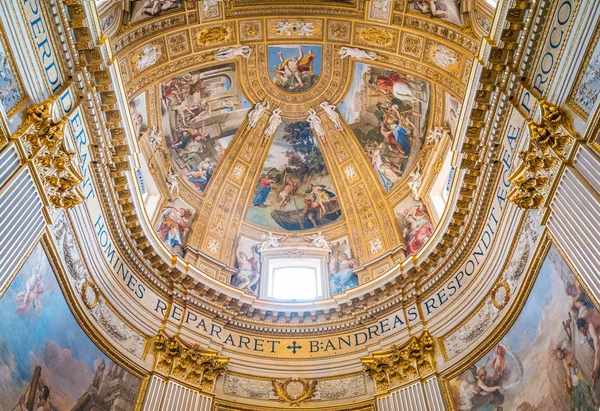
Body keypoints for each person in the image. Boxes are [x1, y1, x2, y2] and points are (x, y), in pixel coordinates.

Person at [576, 305, 600, 385]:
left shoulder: (591, 327)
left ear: (585, 327)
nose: (584, 331)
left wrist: (595, 370)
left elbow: (597, 350)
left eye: (584, 330)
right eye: (582, 331)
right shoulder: (583, 312)